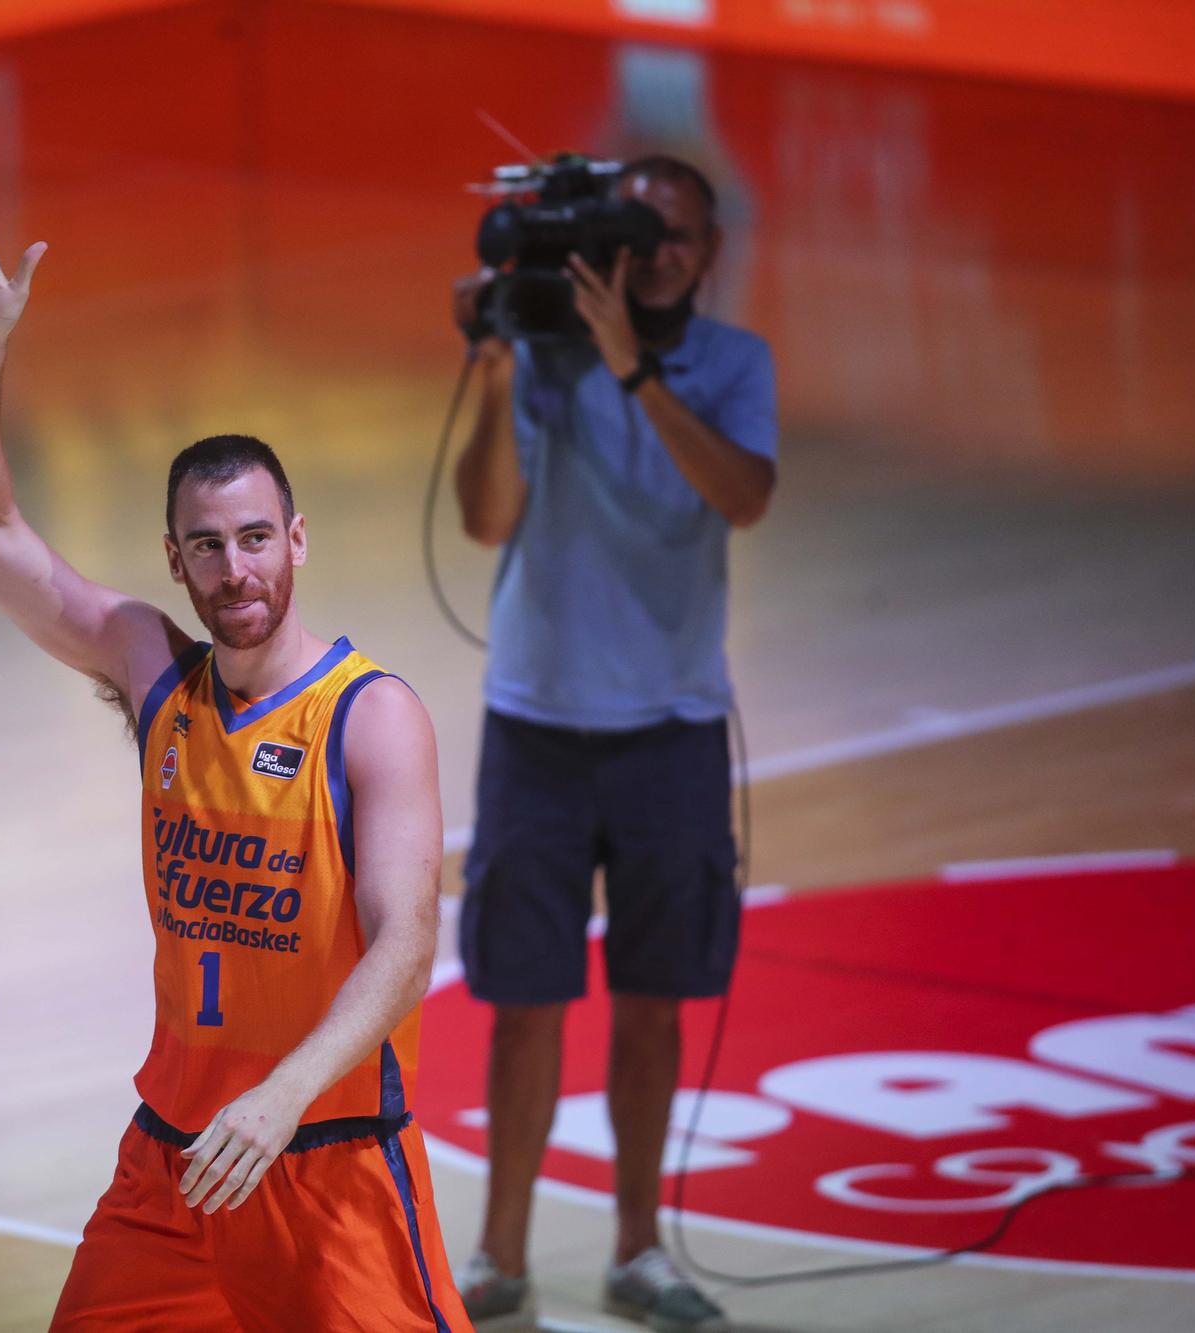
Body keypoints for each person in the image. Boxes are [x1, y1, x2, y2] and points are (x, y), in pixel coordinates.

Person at [0, 191, 472, 1332]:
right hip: (172, 1165)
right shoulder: (152, 672)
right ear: (175, 560)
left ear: (298, 540)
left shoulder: (370, 716)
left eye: (257, 539)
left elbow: (407, 942)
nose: (237, 571)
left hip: (323, 1158)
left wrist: (278, 1099)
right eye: (209, 547)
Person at [448, 155, 777, 1333]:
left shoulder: (732, 365)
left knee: (650, 1004)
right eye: (636, 229)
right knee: (522, 1004)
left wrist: (634, 370)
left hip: (671, 735)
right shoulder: (538, 354)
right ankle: (498, 1259)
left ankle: (638, 1250)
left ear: (710, 246)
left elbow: (737, 494)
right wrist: (491, 361)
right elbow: (484, 516)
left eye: (674, 230)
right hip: (534, 725)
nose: (654, 250)